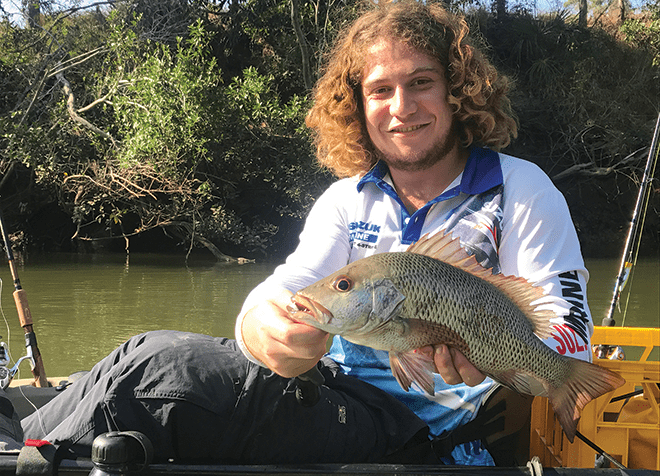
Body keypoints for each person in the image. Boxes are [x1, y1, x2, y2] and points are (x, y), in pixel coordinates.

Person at [9, 0, 593, 466]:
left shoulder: (522, 189)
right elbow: (288, 285)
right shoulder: (347, 198)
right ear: (359, 104)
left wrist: (512, 361)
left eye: (421, 83)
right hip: (330, 388)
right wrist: (263, 327)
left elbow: (571, 332)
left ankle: (22, 456)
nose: (402, 107)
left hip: (410, 428)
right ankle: (15, 443)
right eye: (380, 90)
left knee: (163, 376)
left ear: (456, 89)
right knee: (138, 352)